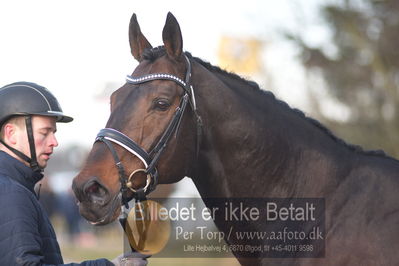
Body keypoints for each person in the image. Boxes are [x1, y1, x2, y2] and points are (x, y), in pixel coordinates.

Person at [0, 82, 147, 266]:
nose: (54, 142)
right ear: (11, 134)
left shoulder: (14, 188)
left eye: (53, 133)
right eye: (44, 133)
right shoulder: (11, 193)